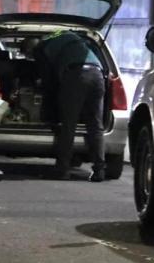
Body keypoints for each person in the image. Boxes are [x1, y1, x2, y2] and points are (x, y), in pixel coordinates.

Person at [28, 31, 106, 182]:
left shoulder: (41, 48)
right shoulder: (73, 38)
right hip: (97, 74)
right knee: (96, 125)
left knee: (68, 125)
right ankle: (99, 171)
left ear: (31, 48)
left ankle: (63, 170)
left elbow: (47, 79)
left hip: (76, 76)